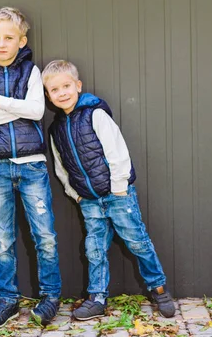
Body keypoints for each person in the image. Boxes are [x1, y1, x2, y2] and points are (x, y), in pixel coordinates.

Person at [42, 60, 176, 320]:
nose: (62, 93)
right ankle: (97, 298)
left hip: (117, 196)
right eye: (55, 89)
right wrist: (75, 194)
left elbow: (116, 150)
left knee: (138, 242)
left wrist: (119, 188)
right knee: (94, 248)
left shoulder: (95, 114)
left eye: (67, 86)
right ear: (48, 95)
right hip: (89, 201)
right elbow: (60, 167)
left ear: (78, 86)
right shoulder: (56, 129)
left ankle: (159, 290)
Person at [0, 7, 62, 328]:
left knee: (45, 235)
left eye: (8, 38)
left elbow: (38, 111)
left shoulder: (32, 72)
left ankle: (51, 296)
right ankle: (8, 299)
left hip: (31, 166)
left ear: (21, 41)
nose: (0, 43)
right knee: (3, 240)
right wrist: (17, 107)